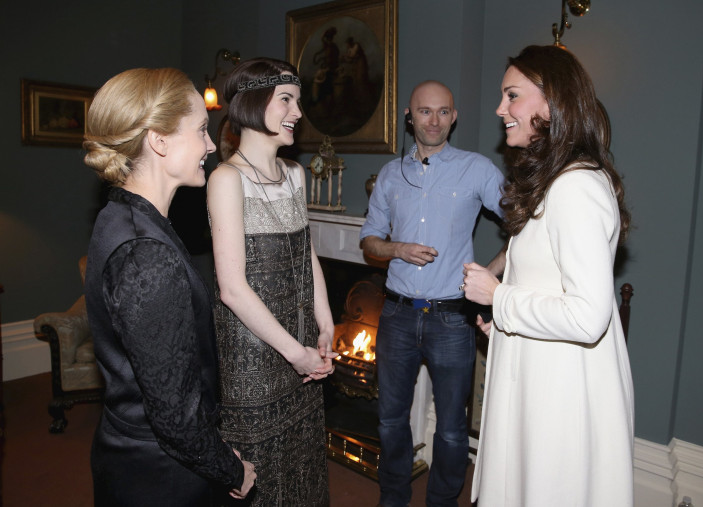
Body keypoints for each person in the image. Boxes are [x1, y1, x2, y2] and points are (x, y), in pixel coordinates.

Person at [462, 45, 634, 506]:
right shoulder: (557, 180)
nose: (501, 109)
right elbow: (549, 285)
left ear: (551, 101)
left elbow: (587, 317)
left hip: (562, 392)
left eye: (512, 96)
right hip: (541, 372)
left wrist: (499, 297)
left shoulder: (575, 187)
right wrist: (504, 320)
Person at [83, 68, 256, 506]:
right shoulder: (145, 254)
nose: (212, 145)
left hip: (134, 454)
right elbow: (176, 418)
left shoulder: (121, 213)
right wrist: (231, 468)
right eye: (201, 130)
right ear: (159, 141)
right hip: (160, 476)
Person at [360, 80, 505, 506]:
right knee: (389, 421)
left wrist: (488, 272)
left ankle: (442, 501)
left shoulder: (476, 169)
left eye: (443, 112)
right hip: (397, 317)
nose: (434, 120)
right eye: (425, 111)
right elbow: (369, 241)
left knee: (452, 429)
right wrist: (397, 249)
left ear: (454, 117)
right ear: (410, 116)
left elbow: (525, 222)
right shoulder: (390, 174)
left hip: (451, 319)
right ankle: (394, 498)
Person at [207, 57, 336, 506]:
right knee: (263, 472)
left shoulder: (296, 174)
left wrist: (325, 321)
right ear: (253, 102)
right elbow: (232, 288)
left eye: (297, 101)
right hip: (254, 354)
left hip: (300, 340)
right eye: (286, 100)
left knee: (303, 466)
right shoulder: (226, 179)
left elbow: (307, 254)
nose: (297, 112)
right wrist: (295, 353)